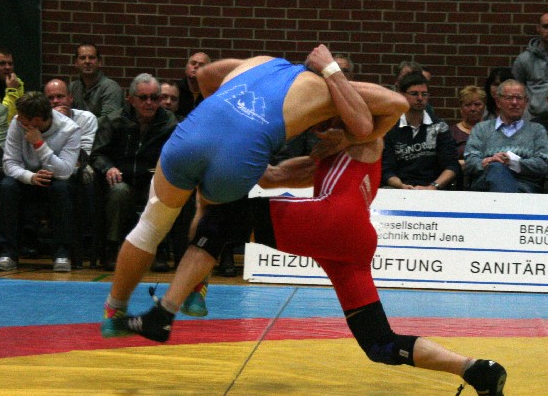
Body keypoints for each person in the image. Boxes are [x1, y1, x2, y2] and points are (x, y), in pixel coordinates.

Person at [107, 138, 507, 396]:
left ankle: (164, 313)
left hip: (333, 220)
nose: (317, 128)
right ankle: (476, 369)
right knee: (379, 344)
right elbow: (270, 176)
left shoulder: (365, 136)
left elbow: (373, 109)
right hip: (348, 241)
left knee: (222, 220)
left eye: (326, 120)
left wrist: (329, 70)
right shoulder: (324, 155)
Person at [101, 45, 407, 330]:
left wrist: (223, 117)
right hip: (248, 163)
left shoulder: (260, 62)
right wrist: (343, 118)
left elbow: (204, 74)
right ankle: (194, 288)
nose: (319, 130)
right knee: (214, 214)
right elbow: (393, 106)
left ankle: (114, 313)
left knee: (150, 226)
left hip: (195, 133)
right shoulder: (329, 91)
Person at [90, 74, 178, 270]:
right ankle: (112, 248)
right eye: (143, 98)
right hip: (121, 180)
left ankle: (159, 248)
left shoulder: (169, 123)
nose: (149, 103)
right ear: (130, 99)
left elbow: (177, 155)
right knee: (119, 192)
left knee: (161, 194)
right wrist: (108, 167)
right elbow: (97, 154)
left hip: (153, 182)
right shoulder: (113, 121)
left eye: (154, 98)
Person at [0, 92, 82, 272]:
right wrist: (30, 177)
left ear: (35, 120)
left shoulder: (70, 129)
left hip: (55, 180)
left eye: (22, 116)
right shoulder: (17, 124)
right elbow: (9, 163)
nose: (17, 118)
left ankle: (62, 253)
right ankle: (8, 252)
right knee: (7, 186)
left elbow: (66, 171)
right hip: (26, 178)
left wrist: (39, 145)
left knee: (62, 189)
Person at [465, 80, 548, 193]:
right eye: (509, 98)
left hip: (524, 187)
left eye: (519, 98)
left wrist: (513, 162)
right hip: (485, 186)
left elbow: (542, 164)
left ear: (526, 102)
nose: (514, 102)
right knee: (496, 167)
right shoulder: (481, 129)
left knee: (498, 167)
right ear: (498, 102)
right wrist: (488, 162)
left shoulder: (537, 130)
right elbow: (470, 162)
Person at [381, 72, 459, 190]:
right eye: (414, 94)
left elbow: (452, 166)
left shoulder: (439, 127)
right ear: (401, 95)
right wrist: (401, 186)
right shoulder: (390, 128)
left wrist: (432, 187)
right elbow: (386, 169)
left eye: (424, 94)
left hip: (434, 189)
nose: (420, 98)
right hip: (399, 188)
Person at [69, 42, 123, 119]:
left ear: (99, 62)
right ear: (76, 63)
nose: (87, 61)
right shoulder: (72, 87)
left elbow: (108, 122)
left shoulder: (111, 88)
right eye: (82, 58)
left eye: (91, 58)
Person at [449, 85, 486, 178]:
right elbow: (448, 162)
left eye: (477, 104)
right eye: (468, 105)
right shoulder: (451, 133)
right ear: (461, 108)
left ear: (484, 107)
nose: (473, 109)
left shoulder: (492, 130)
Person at [174, 51, 210, 118]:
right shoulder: (175, 90)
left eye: (201, 65)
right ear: (186, 68)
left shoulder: (212, 94)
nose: (196, 66)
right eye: (193, 63)